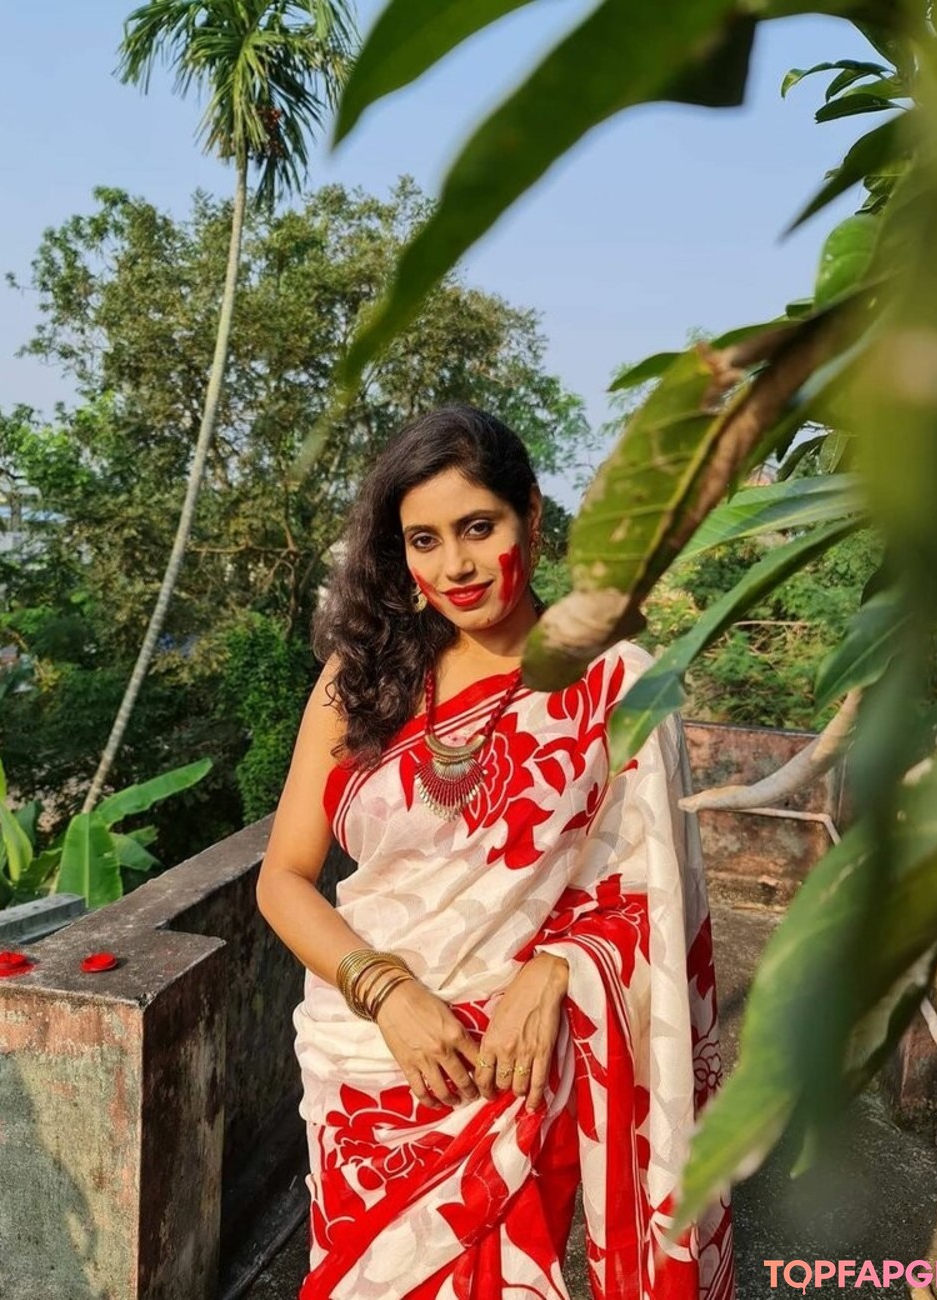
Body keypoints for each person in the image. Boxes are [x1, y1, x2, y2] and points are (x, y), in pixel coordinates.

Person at [256, 404, 734, 1300]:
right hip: (363, 1069)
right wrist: (387, 993)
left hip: (511, 1073)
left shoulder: (615, 683)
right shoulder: (359, 679)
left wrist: (558, 967)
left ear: (531, 517)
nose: (456, 566)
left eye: (479, 527)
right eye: (424, 540)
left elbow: (654, 892)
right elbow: (282, 880)